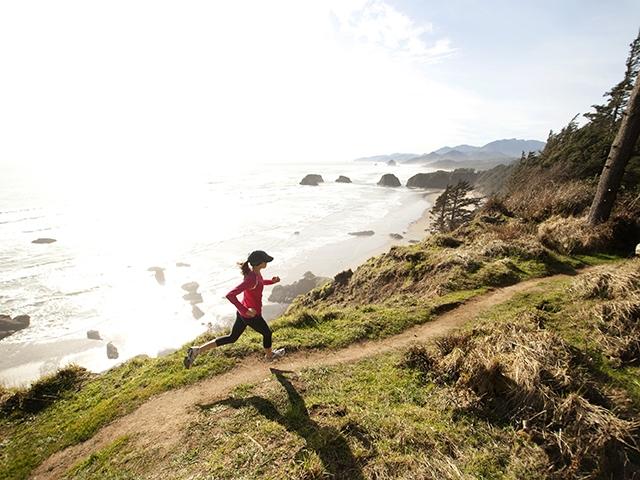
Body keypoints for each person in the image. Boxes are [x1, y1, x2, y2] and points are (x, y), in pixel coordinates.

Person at [183, 250, 285, 368]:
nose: (267, 262)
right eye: (265, 260)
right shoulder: (251, 278)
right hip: (250, 315)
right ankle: (270, 356)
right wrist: (246, 311)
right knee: (267, 333)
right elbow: (230, 295)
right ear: (259, 263)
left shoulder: (254, 274)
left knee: (232, 338)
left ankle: (197, 350)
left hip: (243, 314)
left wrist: (271, 282)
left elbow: (259, 283)